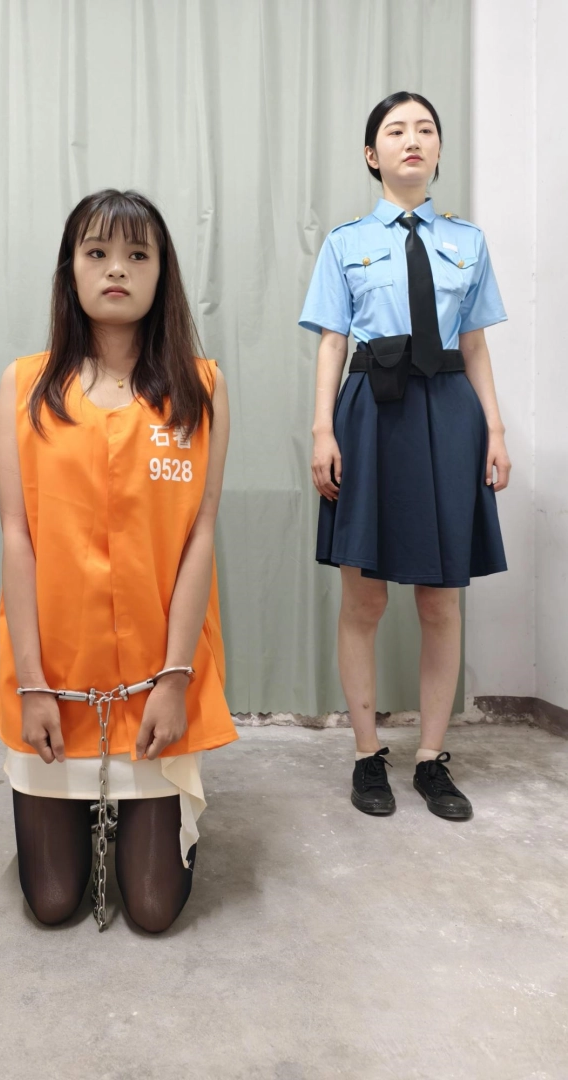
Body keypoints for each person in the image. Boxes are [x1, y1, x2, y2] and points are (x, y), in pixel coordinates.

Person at [0, 189, 236, 932]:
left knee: (155, 910)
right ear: (70, 270)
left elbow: (200, 535)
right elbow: (16, 536)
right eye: (96, 253)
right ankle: (74, 803)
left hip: (158, 683)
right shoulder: (24, 386)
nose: (117, 270)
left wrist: (175, 679)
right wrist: (33, 686)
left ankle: (139, 810)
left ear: (163, 272)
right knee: (53, 902)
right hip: (54, 682)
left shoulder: (201, 388)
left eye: (138, 254)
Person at [299, 92, 510, 821]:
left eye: (425, 129)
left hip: (448, 415)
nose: (411, 139)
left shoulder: (468, 243)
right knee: (364, 597)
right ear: (373, 155)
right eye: (395, 130)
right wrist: (322, 429)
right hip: (370, 414)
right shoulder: (345, 243)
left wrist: (496, 431)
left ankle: (430, 758)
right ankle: (367, 754)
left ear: (439, 150)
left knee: (440, 598)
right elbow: (332, 341)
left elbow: (474, 344)